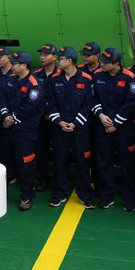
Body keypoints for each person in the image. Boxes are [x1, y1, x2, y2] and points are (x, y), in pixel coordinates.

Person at [46, 47, 95, 208]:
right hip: (59, 128)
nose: (58, 61)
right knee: (60, 162)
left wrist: (75, 123)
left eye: (61, 59)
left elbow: (89, 105)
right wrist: (59, 121)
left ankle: (85, 195)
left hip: (80, 130)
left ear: (70, 61)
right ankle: (59, 194)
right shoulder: (54, 79)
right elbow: (50, 102)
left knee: (82, 162)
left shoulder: (86, 79)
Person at [91, 48, 135, 211]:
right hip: (103, 125)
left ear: (116, 64)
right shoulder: (98, 75)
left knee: (127, 163)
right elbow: (94, 98)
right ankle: (107, 196)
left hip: (124, 127)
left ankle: (128, 198)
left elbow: (131, 103)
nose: (101, 64)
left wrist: (116, 124)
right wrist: (101, 116)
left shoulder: (129, 77)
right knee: (104, 162)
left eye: (105, 62)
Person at [0, 52, 44, 210]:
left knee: (25, 165)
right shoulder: (9, 80)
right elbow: (1, 98)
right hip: (7, 129)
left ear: (24, 65)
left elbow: (31, 106)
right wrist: (5, 116)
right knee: (4, 162)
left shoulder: (34, 84)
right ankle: (1, 195)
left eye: (15, 63)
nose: (12, 65)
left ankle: (26, 196)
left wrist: (12, 119)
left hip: (24, 132)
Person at [33, 44, 59, 192]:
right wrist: (44, 112)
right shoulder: (36, 75)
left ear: (54, 57)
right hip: (41, 119)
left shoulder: (61, 74)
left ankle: (59, 180)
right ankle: (43, 179)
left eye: (46, 54)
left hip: (58, 119)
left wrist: (53, 114)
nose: (42, 57)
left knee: (59, 151)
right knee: (41, 149)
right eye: (41, 54)